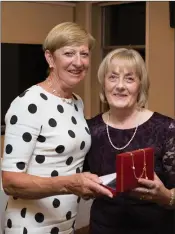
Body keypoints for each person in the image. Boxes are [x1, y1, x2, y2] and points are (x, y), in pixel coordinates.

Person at [1, 22, 112, 234]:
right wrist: (70, 184)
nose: (78, 62)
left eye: (84, 54)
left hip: (65, 225)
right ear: (50, 58)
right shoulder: (28, 103)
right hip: (30, 227)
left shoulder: (76, 102)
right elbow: (11, 182)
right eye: (69, 53)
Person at [83, 48, 175, 234]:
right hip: (103, 228)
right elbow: (80, 182)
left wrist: (165, 196)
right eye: (113, 77)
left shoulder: (166, 129)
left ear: (140, 85)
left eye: (129, 78)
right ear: (103, 84)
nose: (120, 86)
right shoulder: (89, 129)